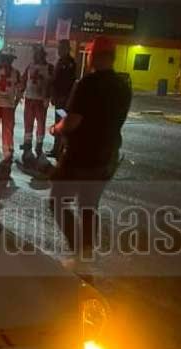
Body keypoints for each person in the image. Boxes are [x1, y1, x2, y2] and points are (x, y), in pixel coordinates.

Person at [48, 36, 132, 258]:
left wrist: (55, 128)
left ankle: (77, 246)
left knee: (57, 201)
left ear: (93, 56)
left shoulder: (87, 84)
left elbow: (72, 122)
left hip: (81, 156)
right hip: (107, 156)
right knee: (89, 206)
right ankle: (85, 251)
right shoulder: (123, 86)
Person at [21, 45, 53, 159]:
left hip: (41, 100)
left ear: (43, 55)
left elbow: (51, 83)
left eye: (39, 53)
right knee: (28, 123)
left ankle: (39, 146)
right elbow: (24, 80)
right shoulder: (30, 66)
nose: (37, 56)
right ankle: (27, 144)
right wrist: (20, 91)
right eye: (36, 53)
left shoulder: (49, 67)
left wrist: (48, 97)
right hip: (29, 98)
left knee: (40, 124)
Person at [0, 50, 22, 163]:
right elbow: (20, 89)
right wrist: (16, 102)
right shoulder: (15, 73)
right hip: (6, 105)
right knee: (5, 129)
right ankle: (6, 152)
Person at [49, 39, 77, 158]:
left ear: (67, 49)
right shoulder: (61, 61)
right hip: (59, 99)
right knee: (58, 122)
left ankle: (60, 150)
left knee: (62, 124)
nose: (59, 50)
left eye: (61, 48)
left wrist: (62, 97)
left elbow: (67, 83)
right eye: (58, 48)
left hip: (64, 100)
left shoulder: (70, 63)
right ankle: (57, 149)